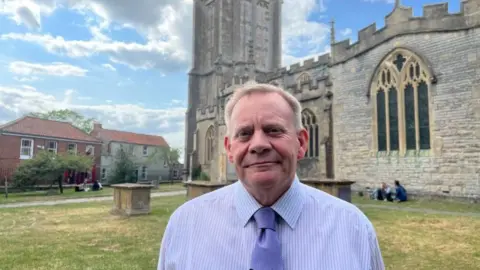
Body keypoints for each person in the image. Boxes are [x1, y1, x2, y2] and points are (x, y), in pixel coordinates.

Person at [157, 83, 385, 270]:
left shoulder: (353, 227)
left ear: (302, 142)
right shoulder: (184, 225)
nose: (258, 145)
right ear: (229, 149)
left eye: (273, 130)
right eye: (244, 134)